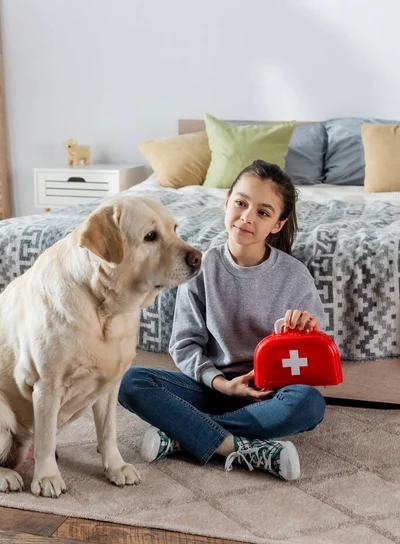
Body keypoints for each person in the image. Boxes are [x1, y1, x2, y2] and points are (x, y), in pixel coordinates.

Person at [118, 160, 326, 481]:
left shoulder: (294, 276)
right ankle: (237, 445)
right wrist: (222, 384)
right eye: (241, 203)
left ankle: (183, 435)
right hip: (210, 387)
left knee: (309, 404)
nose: (247, 216)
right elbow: (185, 346)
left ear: (277, 225)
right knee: (130, 382)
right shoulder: (201, 266)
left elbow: (314, 357)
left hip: (266, 394)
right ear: (227, 202)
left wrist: (299, 333)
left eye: (263, 212)